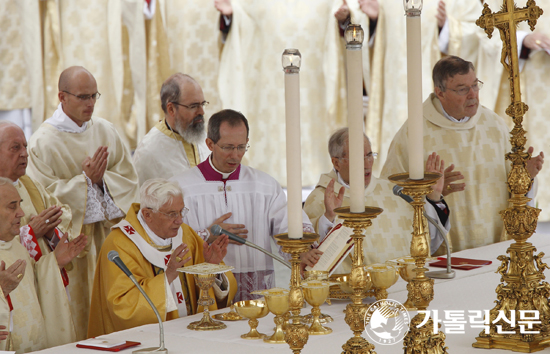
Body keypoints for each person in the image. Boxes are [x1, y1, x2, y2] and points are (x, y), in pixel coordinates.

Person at [381, 56, 544, 252]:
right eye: (462, 89)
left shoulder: (494, 125)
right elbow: (390, 196)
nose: (473, 95)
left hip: (495, 250)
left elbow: (515, 191)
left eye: (475, 86)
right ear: (440, 93)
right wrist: (430, 193)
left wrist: (525, 178)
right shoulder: (413, 133)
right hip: (444, 257)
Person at [26, 66, 140, 330]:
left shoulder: (106, 130)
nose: (90, 103)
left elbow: (129, 179)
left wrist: (101, 182)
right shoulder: (42, 141)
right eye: (83, 97)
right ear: (62, 97)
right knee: (81, 317)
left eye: (94, 96)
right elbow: (41, 197)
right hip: (72, 245)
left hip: (110, 240)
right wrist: (86, 183)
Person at [214, 0, 369, 187]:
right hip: (267, 84)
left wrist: (344, 18)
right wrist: (231, 15)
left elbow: (349, 17)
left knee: (310, 125)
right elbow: (242, 14)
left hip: (314, 84)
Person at [171, 109, 314, 302]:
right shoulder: (182, 186)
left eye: (241, 147)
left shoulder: (264, 185)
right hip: (205, 287)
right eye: (228, 147)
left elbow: (288, 224)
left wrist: (302, 250)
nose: (235, 155)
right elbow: (168, 239)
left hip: (256, 289)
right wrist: (208, 235)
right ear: (210, 144)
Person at [88, 179, 236, 337]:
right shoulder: (120, 244)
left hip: (193, 334)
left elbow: (209, 295)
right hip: (150, 340)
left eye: (181, 211)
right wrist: (167, 277)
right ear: (147, 214)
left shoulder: (186, 235)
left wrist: (211, 266)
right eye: (172, 214)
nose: (179, 220)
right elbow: (122, 307)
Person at [302, 128, 451, 271]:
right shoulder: (319, 199)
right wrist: (328, 218)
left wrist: (434, 196)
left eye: (369, 155)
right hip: (354, 293)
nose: (367, 163)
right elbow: (312, 258)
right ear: (336, 163)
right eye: (358, 157)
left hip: (405, 285)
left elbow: (428, 238)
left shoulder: (393, 191)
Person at [0, 121, 92, 339]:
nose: (24, 154)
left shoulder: (30, 185)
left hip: (37, 287)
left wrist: (50, 233)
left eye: (25, 146)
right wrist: (30, 233)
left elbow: (62, 217)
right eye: (15, 148)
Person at [0, 178, 87, 352]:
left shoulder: (18, 248)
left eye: (20, 205)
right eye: (12, 206)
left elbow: (34, 285)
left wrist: (54, 263)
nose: (21, 213)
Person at [133, 74, 210, 185]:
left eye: (202, 104)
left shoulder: (205, 139)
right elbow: (142, 200)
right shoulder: (148, 153)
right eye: (193, 106)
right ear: (171, 109)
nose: (201, 112)